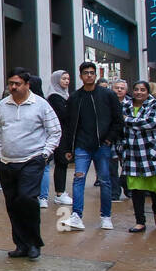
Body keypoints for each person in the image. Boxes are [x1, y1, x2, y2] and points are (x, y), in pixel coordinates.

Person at [0, 68, 60, 259]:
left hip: (31, 160)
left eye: (17, 84)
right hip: (6, 162)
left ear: (27, 85)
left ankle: (34, 242)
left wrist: (45, 154)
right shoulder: (3, 105)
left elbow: (55, 131)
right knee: (12, 204)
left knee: (27, 199)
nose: (13, 87)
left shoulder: (41, 105)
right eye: (10, 83)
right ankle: (21, 244)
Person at [62, 61, 123, 231]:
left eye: (92, 72)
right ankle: (76, 216)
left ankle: (105, 216)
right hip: (82, 145)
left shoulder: (107, 95)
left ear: (96, 75)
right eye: (86, 73)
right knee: (78, 179)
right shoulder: (75, 97)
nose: (89, 75)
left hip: (102, 145)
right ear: (80, 76)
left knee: (105, 180)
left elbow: (118, 120)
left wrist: (109, 139)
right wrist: (68, 148)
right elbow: (68, 124)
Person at [119, 81, 156, 231]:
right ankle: (140, 221)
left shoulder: (155, 105)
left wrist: (127, 120)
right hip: (132, 153)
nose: (139, 92)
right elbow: (119, 125)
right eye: (136, 89)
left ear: (148, 91)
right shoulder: (125, 105)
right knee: (136, 189)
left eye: (143, 90)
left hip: (152, 152)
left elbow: (151, 123)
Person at [46, 69, 72, 205]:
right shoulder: (54, 97)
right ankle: (59, 193)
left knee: (64, 163)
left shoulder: (65, 95)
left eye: (68, 79)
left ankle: (61, 191)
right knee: (61, 162)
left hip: (65, 133)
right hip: (59, 134)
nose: (66, 81)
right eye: (63, 79)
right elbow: (64, 114)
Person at [109, 80, 129, 203]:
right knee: (111, 168)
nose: (119, 90)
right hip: (111, 140)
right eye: (117, 88)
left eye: (122, 88)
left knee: (127, 167)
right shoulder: (107, 102)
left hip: (127, 140)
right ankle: (114, 193)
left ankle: (127, 187)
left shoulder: (131, 104)